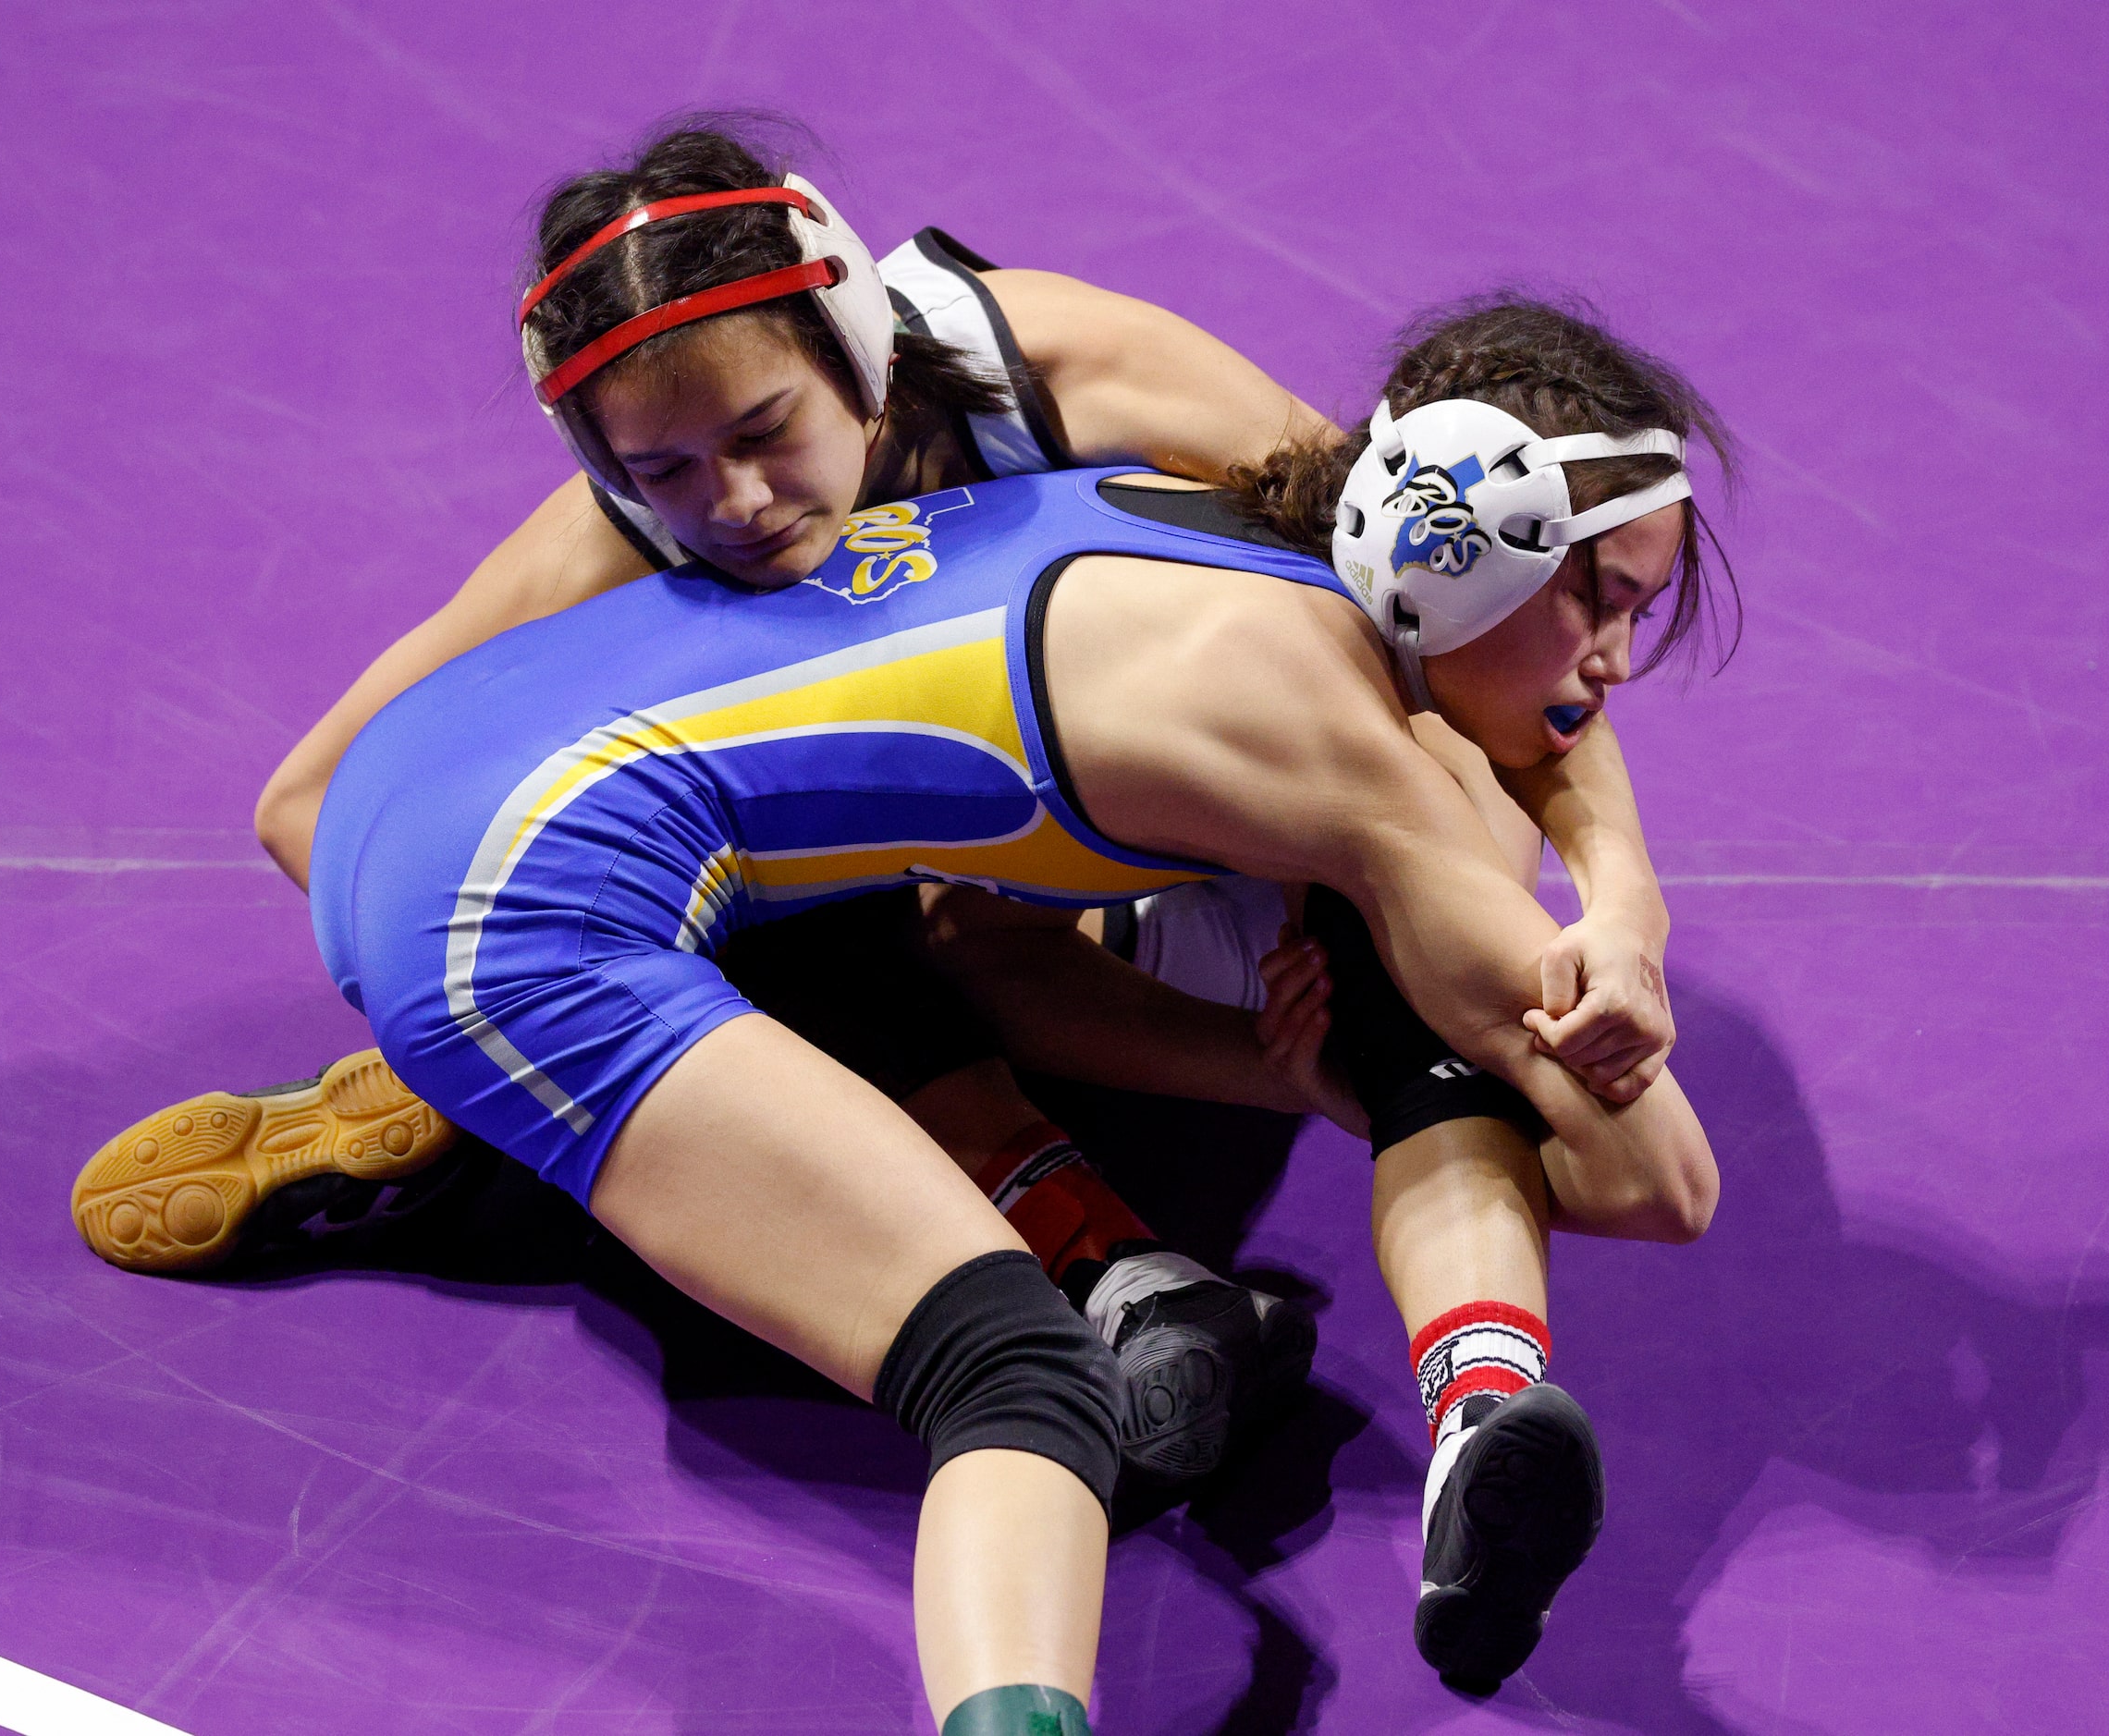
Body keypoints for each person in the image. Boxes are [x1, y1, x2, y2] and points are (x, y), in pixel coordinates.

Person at [75, 118, 1681, 1485]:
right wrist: (571, 1006)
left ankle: (1377, 1302)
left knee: (1421, 858)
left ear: (848, 344)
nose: (739, 505)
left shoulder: (1060, 360)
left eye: (765, 432)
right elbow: (309, 797)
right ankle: (1106, 1240)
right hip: (918, 897)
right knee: (873, 918)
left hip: (1189, 784)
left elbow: (1450, 595)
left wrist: (1614, 899)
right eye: (665, 473)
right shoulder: (606, 538)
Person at [301, 280, 1731, 1723]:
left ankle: (531, 1098)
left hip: (438, 783)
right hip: (522, 909)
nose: (1613, 673)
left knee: (904, 919)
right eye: (1601, 604)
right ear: (1466, 554)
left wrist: (1616, 915)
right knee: (1016, 1377)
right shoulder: (1336, 744)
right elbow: (1660, 1186)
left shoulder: (1169, 484)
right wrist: (1562, 995)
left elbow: (986, 951)